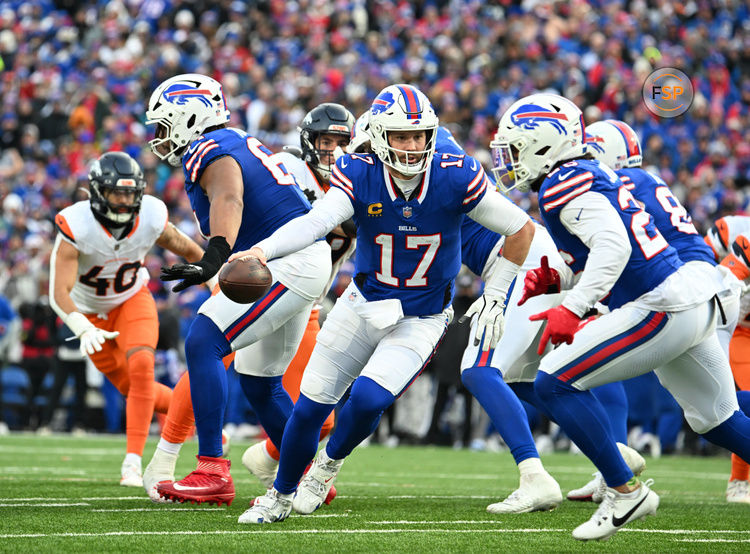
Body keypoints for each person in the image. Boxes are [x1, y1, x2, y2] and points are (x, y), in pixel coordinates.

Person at [234, 83, 536, 524]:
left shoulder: (454, 173)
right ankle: (279, 496)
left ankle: (327, 467)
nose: (412, 146)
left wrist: (495, 293)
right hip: (363, 301)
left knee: (369, 398)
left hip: (424, 315)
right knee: (311, 406)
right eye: (400, 136)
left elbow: (520, 228)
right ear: (378, 135)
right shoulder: (359, 170)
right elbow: (317, 221)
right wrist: (263, 251)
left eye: (418, 136)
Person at [494, 93, 750, 541]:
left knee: (553, 381)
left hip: (662, 303)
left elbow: (615, 248)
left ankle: (624, 489)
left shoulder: (561, 184)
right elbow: (608, 247)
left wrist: (571, 308)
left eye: (515, 148)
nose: (509, 160)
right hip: (692, 297)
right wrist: (561, 280)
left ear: (542, 145)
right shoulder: (593, 175)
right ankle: (618, 481)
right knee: (719, 420)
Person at [141, 102, 355, 504]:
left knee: (205, 341)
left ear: (189, 118)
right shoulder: (239, 139)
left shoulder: (209, 146)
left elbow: (230, 198)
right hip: (297, 263)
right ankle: (305, 476)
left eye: (165, 123)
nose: (161, 134)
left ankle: (211, 468)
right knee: (259, 382)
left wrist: (215, 256)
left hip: (284, 263)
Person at [567, 119, 742, 502]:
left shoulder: (618, 185)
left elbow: (615, 250)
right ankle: (610, 472)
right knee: (718, 416)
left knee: (568, 376)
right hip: (698, 287)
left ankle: (615, 473)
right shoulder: (642, 181)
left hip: (675, 295)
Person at [49, 151, 208, 486]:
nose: (123, 200)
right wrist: (80, 325)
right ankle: (200, 416)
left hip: (133, 301)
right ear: (97, 192)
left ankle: (132, 463)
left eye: (128, 192)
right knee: (135, 387)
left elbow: (192, 251)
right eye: (115, 192)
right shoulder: (76, 225)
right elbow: (58, 292)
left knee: (141, 370)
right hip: (89, 315)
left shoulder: (150, 216)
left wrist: (215, 284)